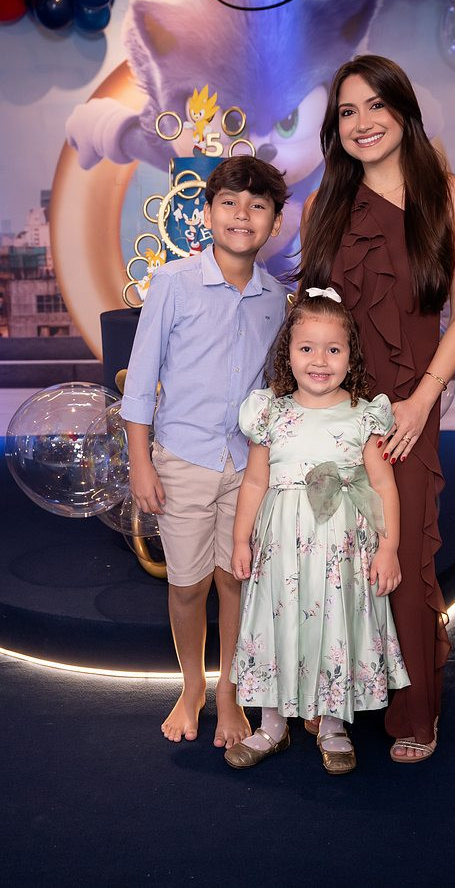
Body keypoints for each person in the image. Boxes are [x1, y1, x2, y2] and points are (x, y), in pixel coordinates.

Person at [298, 55, 455, 761]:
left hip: (408, 410)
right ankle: (337, 700)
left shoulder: (453, 197)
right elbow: (312, 318)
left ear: (403, 110)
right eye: (347, 112)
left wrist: (421, 401)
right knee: (332, 558)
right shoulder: (322, 207)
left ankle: (415, 711)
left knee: (400, 556)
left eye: (376, 105)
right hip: (330, 411)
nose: (363, 122)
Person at [120, 156, 290, 749]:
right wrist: (141, 463)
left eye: (258, 205)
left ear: (274, 221)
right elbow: (140, 380)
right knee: (188, 584)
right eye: (229, 202)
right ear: (208, 211)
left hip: (248, 468)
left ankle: (229, 692)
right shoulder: (173, 282)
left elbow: (274, 386)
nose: (242, 215)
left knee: (235, 580)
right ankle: (192, 685)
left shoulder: (276, 298)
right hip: (183, 459)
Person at [224, 290, 410, 775]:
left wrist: (389, 547)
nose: (320, 361)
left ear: (351, 355)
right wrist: (241, 540)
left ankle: (332, 726)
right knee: (276, 623)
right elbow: (255, 482)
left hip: (340, 551)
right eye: (306, 348)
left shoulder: (364, 415)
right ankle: (272, 725)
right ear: (288, 352)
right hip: (281, 548)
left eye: (333, 349)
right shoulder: (270, 413)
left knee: (334, 624)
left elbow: (384, 485)